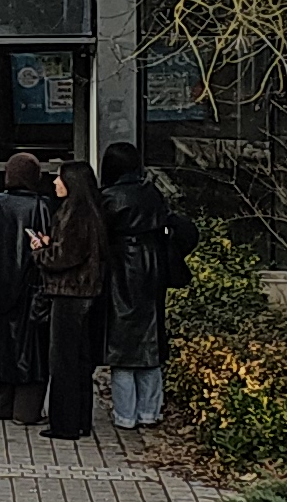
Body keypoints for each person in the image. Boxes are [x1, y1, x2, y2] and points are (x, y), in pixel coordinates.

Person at [31, 155, 114, 441]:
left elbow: (64, 256)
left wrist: (40, 252)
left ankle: (64, 423)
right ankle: (79, 420)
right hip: (86, 293)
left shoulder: (75, 214)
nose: (55, 183)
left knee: (64, 361)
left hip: (69, 294)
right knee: (79, 361)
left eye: (59, 177)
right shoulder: (91, 212)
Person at [100, 141, 178, 429]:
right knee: (151, 346)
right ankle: (150, 411)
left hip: (121, 269)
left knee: (122, 347)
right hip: (153, 267)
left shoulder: (108, 197)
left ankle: (125, 415)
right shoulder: (152, 193)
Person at [0, 152, 55, 423]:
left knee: (4, 347)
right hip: (32, 287)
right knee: (32, 350)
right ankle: (26, 411)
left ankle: (3, 406)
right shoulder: (42, 204)